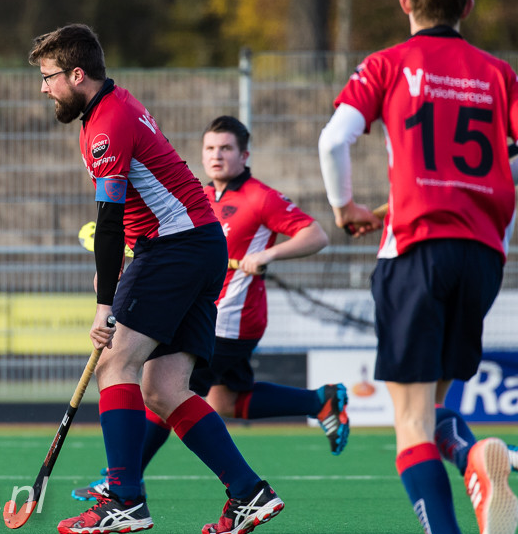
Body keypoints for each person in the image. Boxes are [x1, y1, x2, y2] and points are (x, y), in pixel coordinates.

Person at [317, 0, 518, 534]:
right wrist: (492, 175)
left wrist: (345, 207)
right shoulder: (498, 73)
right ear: (467, 6)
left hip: (414, 251)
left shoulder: (388, 63)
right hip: (482, 256)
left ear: (405, 0)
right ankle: (475, 458)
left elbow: (333, 140)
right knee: (432, 405)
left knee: (407, 421)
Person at [30, 23, 284, 534]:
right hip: (195, 244)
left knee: (114, 362)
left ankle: (124, 499)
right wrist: (119, 270)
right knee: (164, 388)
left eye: (48, 76)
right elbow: (132, 208)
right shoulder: (111, 107)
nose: (43, 88)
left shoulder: (107, 123)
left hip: (175, 247)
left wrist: (105, 304)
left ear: (76, 75)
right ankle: (248, 492)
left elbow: (108, 218)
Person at [74, 115, 346, 501]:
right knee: (223, 400)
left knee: (164, 391)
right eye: (210, 148)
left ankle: (121, 480)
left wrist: (267, 254)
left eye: (226, 149)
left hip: (233, 318)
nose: (217, 156)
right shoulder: (196, 196)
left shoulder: (260, 197)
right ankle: (320, 401)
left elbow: (315, 234)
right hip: (198, 310)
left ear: (244, 155)